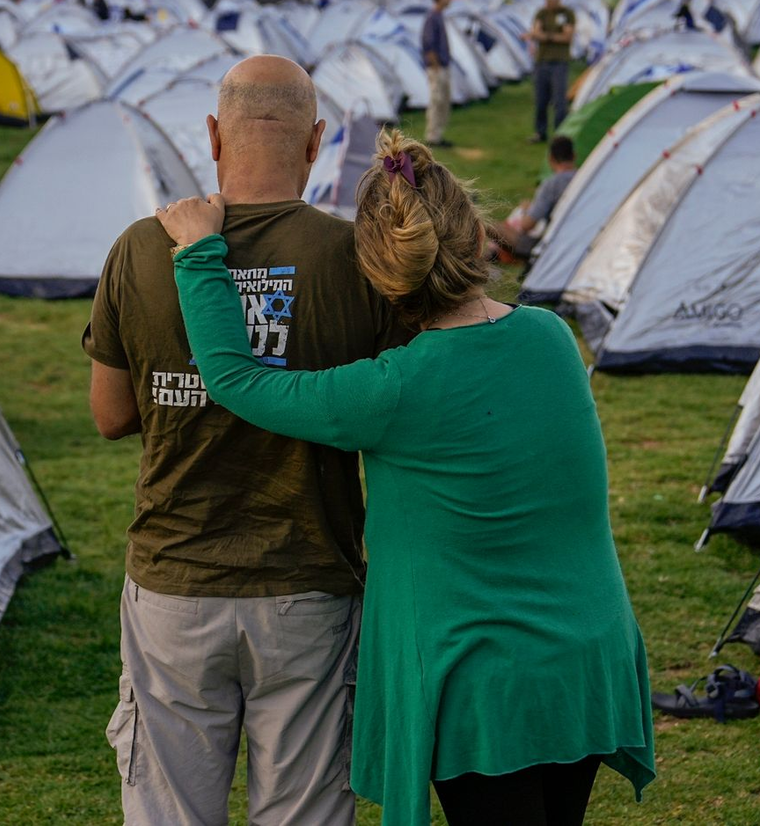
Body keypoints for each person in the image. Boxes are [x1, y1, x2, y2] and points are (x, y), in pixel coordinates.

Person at [155, 130, 655, 826]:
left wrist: (198, 254)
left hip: (482, 687)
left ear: (378, 275)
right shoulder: (552, 339)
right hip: (585, 659)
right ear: (478, 235)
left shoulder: (392, 390)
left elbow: (237, 379)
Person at [84, 55, 405, 826]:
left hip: (175, 582)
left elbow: (109, 414)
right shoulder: (354, 256)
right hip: (309, 582)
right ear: (317, 140)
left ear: (212, 135)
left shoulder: (139, 247)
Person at [495, 134, 578, 259]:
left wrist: (524, 211)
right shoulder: (584, 179)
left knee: (493, 227)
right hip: (579, 238)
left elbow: (527, 225)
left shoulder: (551, 185)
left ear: (550, 159)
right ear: (574, 156)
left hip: (551, 244)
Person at [528, 0, 575, 143]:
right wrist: (554, 36)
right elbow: (535, 33)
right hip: (542, 62)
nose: (549, 4)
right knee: (541, 100)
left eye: (551, 1)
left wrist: (545, 36)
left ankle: (560, 134)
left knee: (560, 101)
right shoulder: (541, 13)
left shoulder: (566, 14)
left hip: (559, 63)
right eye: (547, 1)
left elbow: (567, 37)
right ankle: (540, 132)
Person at [421, 0, 453, 148]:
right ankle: (432, 136)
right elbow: (428, 44)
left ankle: (438, 135)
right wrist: (436, 66)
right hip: (437, 67)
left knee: (443, 102)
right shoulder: (432, 17)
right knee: (436, 99)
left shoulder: (439, 16)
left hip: (443, 65)